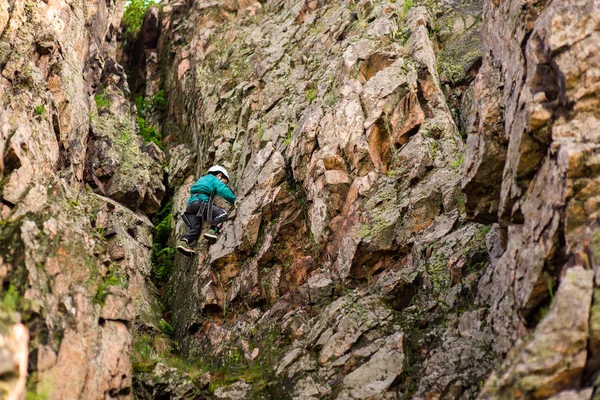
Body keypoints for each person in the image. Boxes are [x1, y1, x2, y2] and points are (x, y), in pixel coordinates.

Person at [177, 165, 236, 256]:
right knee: (222, 214)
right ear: (219, 175)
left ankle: (183, 242)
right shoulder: (214, 179)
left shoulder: (201, 180)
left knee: (195, 229)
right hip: (201, 203)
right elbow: (223, 190)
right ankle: (212, 231)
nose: (224, 184)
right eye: (224, 182)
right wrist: (235, 200)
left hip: (191, 207)